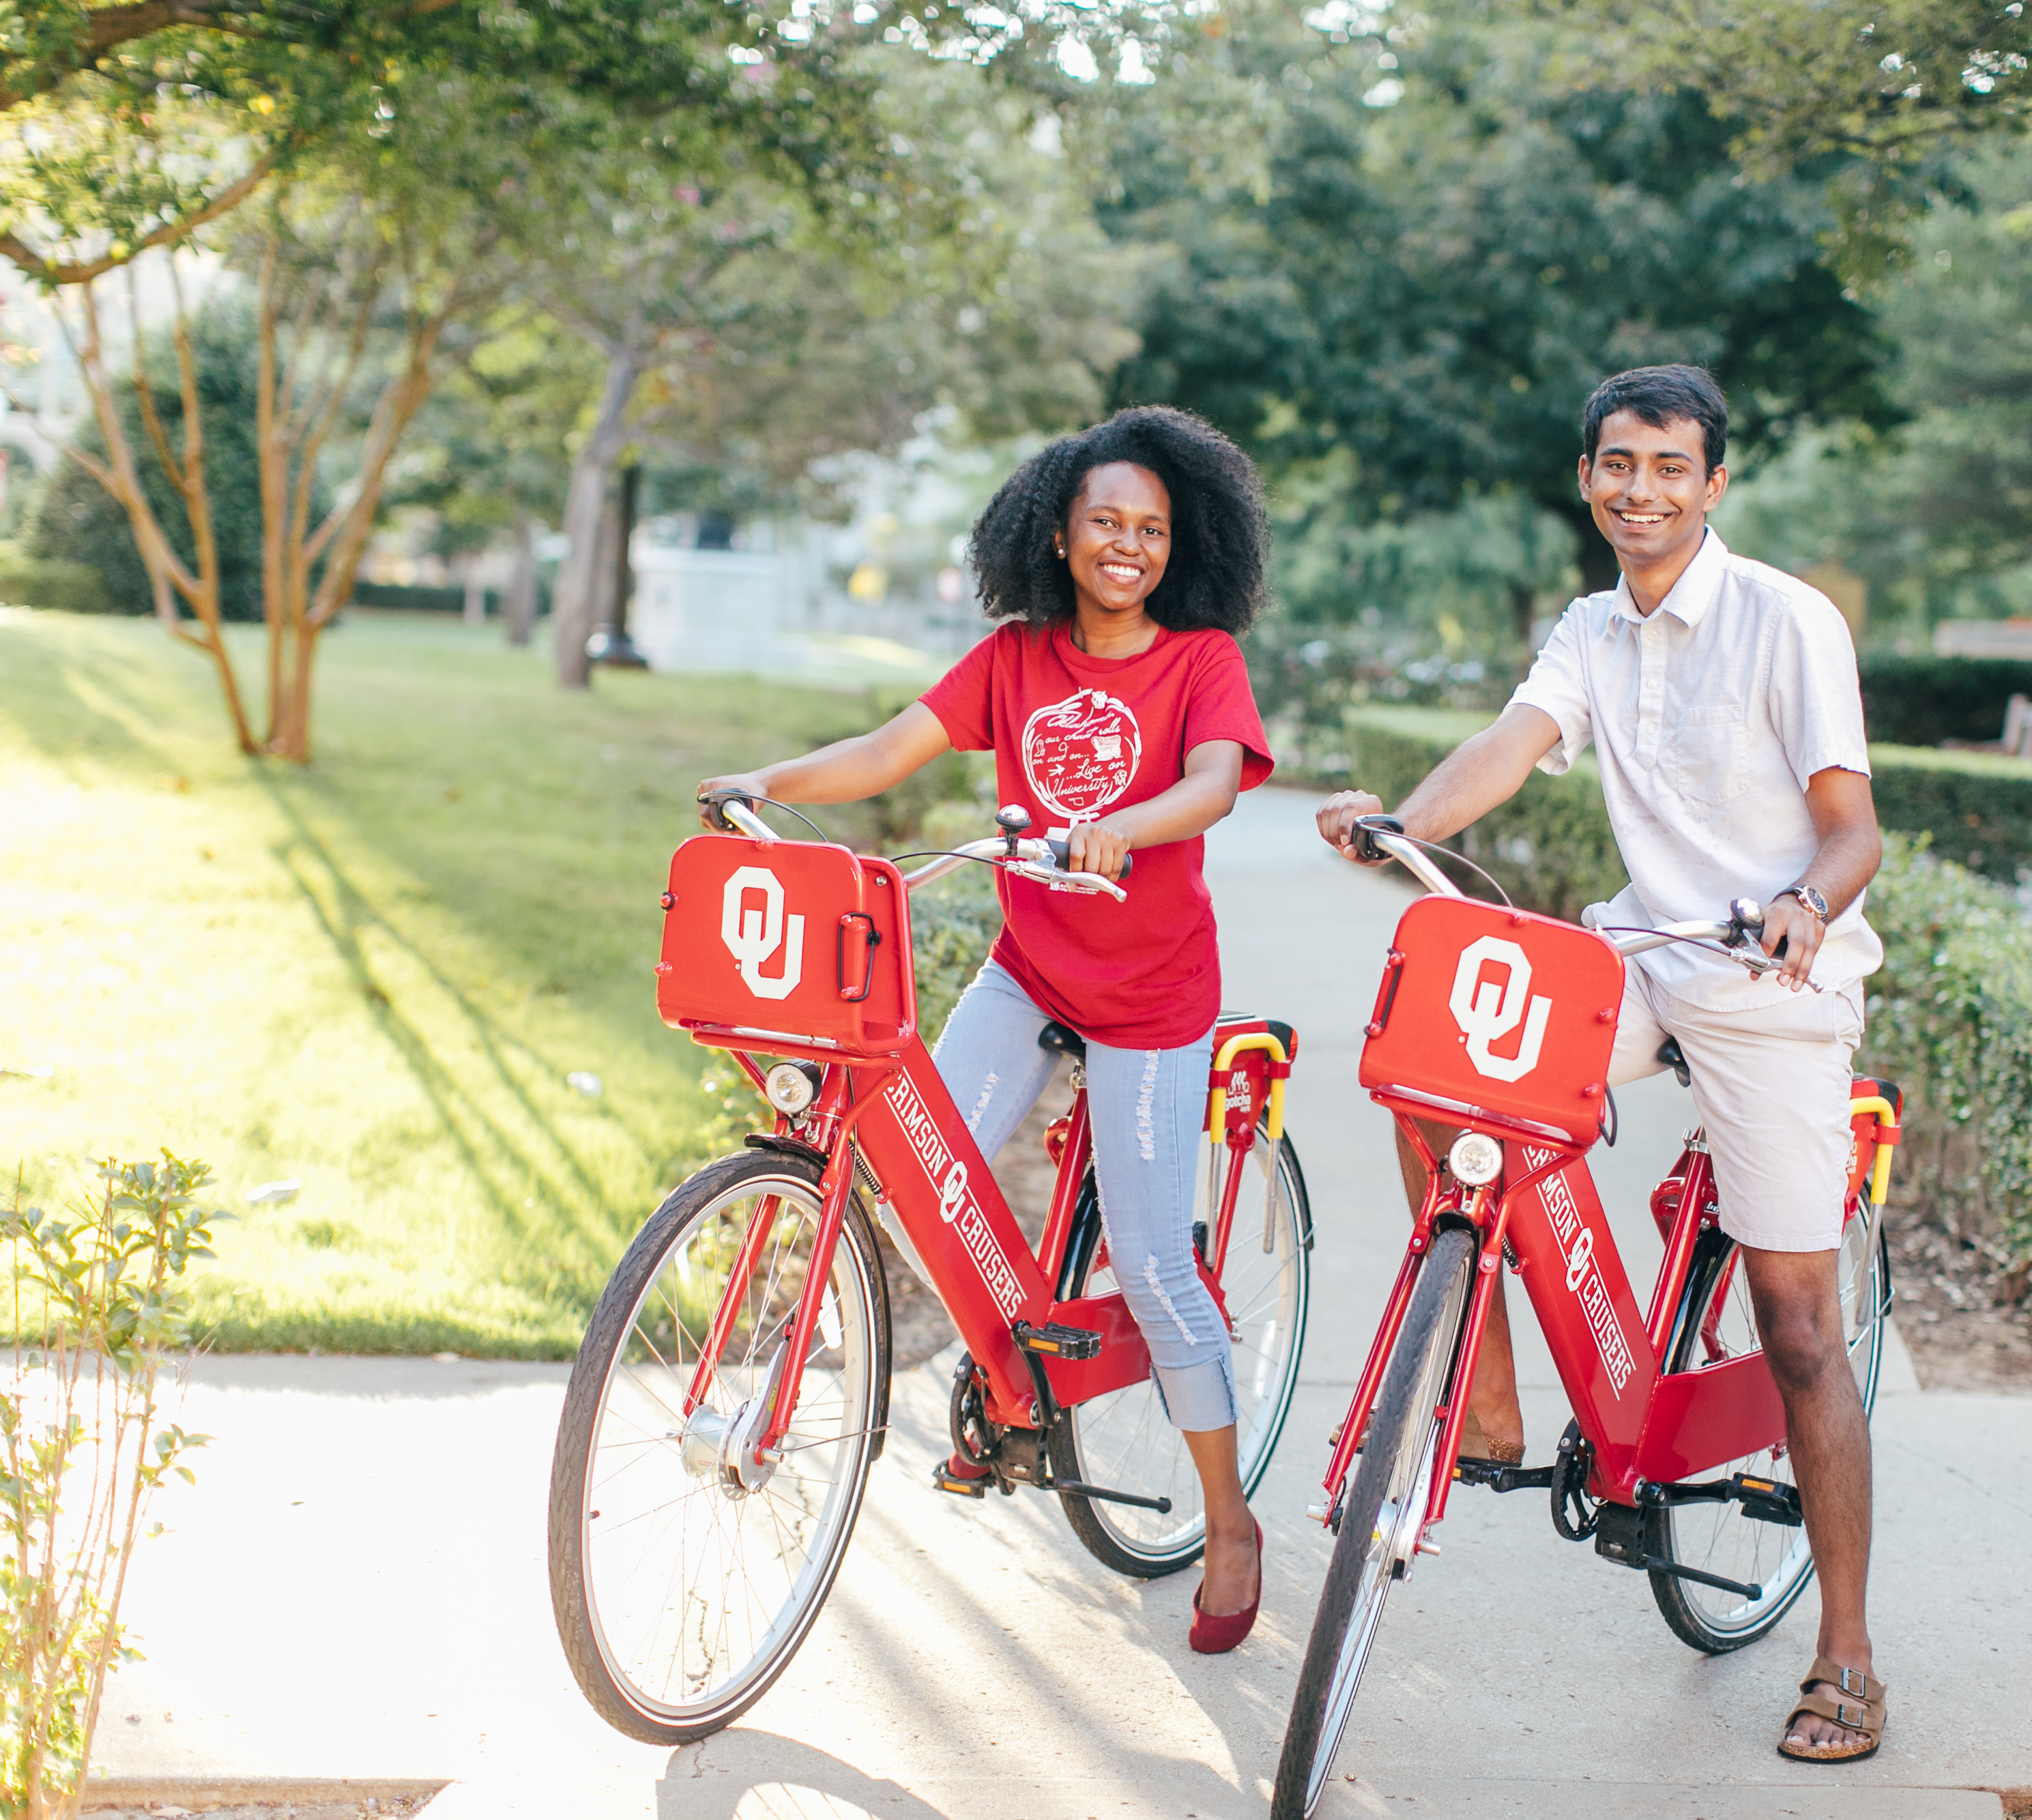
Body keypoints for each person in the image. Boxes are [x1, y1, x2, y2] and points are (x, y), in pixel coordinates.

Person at [1314, 365, 1891, 1761]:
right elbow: (1511, 745)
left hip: (1767, 976)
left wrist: (1806, 904)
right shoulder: (1588, 625)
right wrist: (1399, 819)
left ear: (1712, 485)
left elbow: (1853, 828)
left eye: (1668, 467)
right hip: (1641, 954)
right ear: (1587, 478)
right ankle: (1494, 1390)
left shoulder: (1782, 619)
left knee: (1800, 1325)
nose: (1639, 489)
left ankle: (1848, 1652)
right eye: (1615, 465)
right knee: (1438, 1067)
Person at [699, 405, 1275, 1653]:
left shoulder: (1199, 661)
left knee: (1156, 1263)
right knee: (919, 1160)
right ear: (1057, 534)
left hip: (1152, 999)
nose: (1128, 545)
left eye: (1152, 531)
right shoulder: (1016, 659)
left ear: (1181, 548)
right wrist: (768, 784)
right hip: (1032, 970)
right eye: (1105, 524)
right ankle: (1005, 1379)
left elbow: (1218, 781)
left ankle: (1230, 1522)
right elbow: (893, 747)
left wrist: (1134, 823)